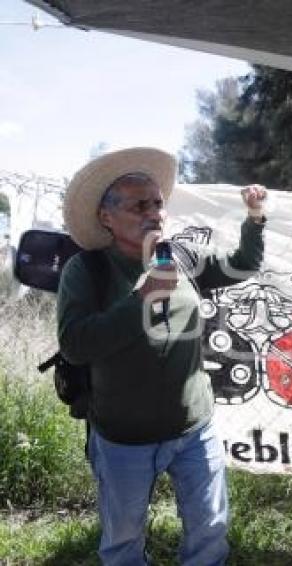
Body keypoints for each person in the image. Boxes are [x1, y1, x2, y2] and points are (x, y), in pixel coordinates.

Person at [56, 147, 267, 565]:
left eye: (157, 203)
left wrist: (256, 217)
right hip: (122, 439)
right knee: (123, 540)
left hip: (193, 429)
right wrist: (141, 301)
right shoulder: (88, 272)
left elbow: (243, 266)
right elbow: (76, 344)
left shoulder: (180, 256)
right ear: (106, 217)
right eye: (139, 205)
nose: (154, 213)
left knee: (209, 529)